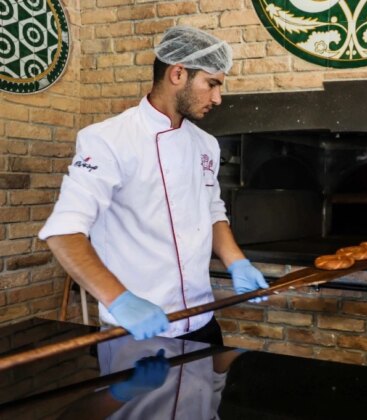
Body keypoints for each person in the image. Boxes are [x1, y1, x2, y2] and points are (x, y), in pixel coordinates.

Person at [39, 26, 268, 345]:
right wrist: (119, 300)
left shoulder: (206, 145)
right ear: (178, 74)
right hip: (135, 330)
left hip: (203, 324)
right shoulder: (107, 140)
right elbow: (64, 232)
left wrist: (237, 262)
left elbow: (213, 210)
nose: (218, 98)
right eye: (212, 84)